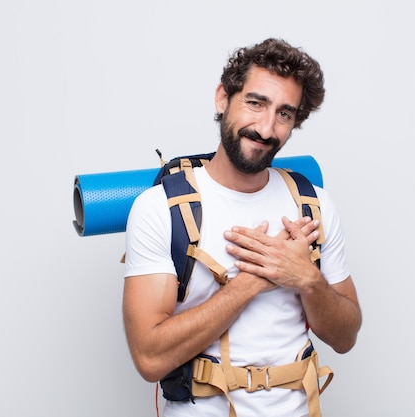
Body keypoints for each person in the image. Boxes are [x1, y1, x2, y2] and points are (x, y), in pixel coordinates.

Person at [122, 38, 362, 417]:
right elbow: (150, 358)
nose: (266, 128)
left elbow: (346, 336)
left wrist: (306, 279)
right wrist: (253, 281)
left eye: (285, 114)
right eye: (255, 103)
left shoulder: (312, 204)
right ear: (223, 99)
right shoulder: (159, 209)